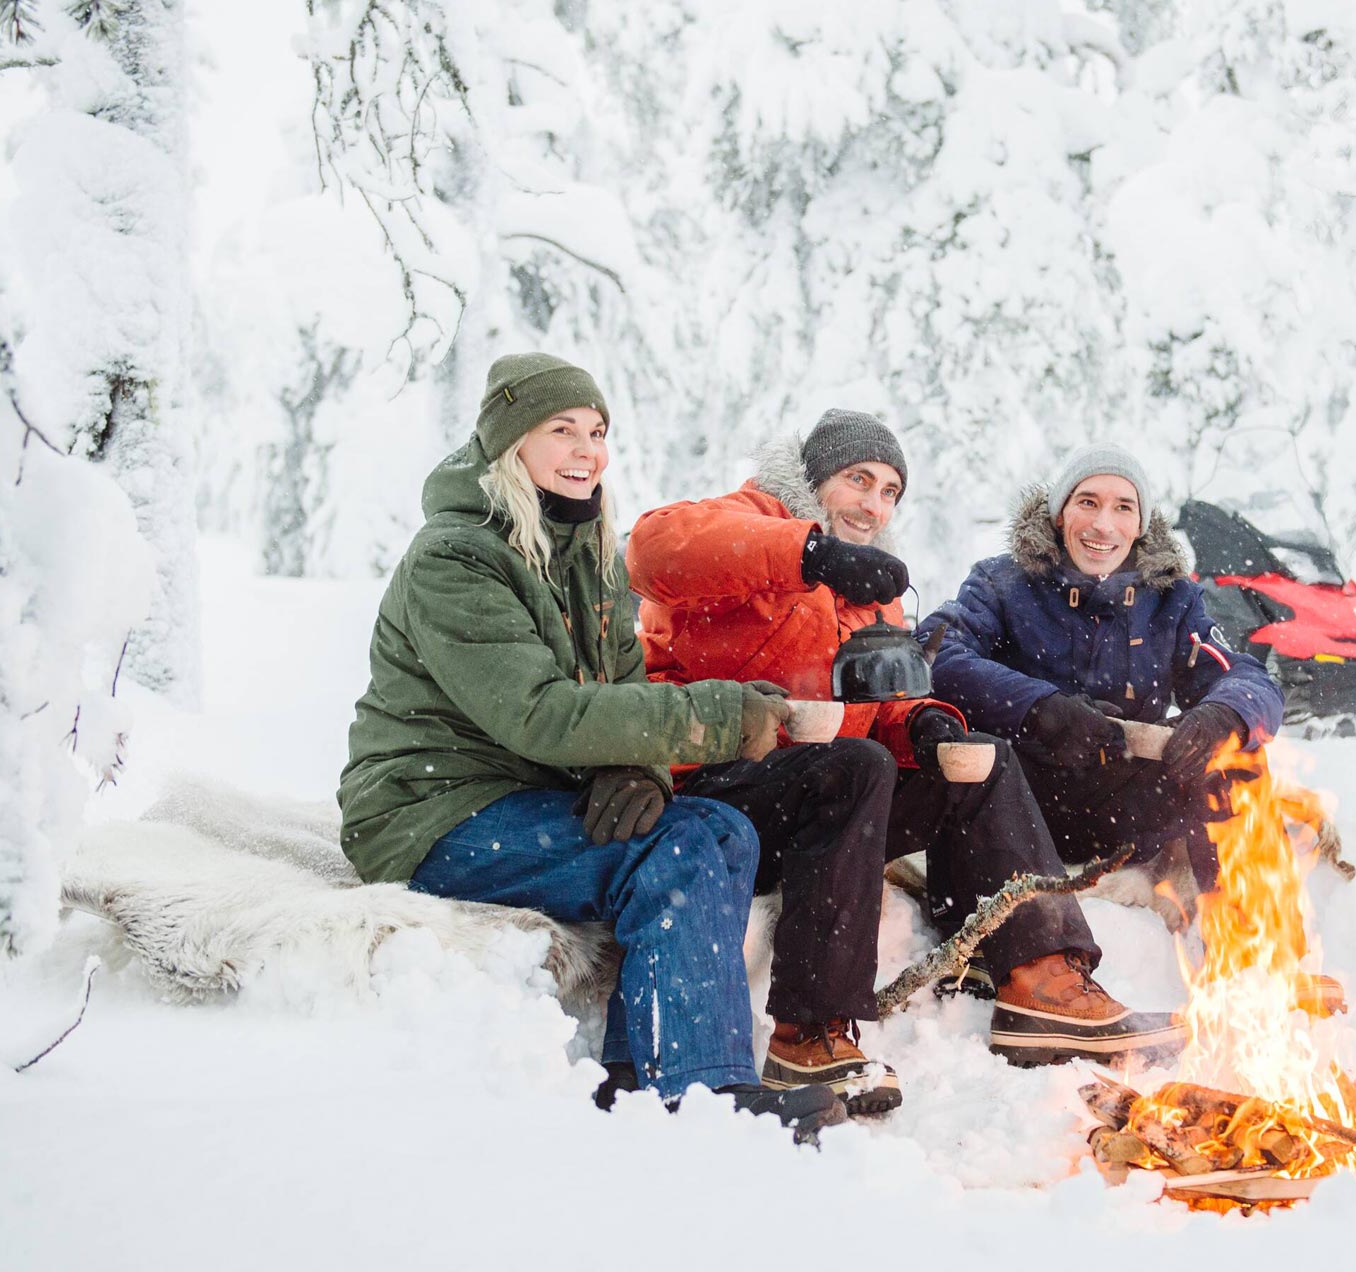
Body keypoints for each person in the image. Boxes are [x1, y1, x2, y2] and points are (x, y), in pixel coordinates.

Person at [338, 352, 841, 1136]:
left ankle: (640, 1072)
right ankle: (702, 1094)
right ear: (511, 444)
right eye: (562, 430)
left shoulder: (587, 544)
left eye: (597, 431)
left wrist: (642, 769)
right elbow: (538, 714)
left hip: (522, 795)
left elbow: (622, 681)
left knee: (723, 830)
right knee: (669, 852)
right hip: (430, 813)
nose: (587, 451)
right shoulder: (455, 557)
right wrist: (717, 714)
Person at [626, 411, 1184, 1077]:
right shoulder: (751, 518)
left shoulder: (869, 590)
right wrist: (809, 555)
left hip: (826, 799)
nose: (874, 503)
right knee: (855, 767)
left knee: (981, 760)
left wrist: (923, 723)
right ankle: (810, 1033)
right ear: (814, 478)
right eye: (859, 480)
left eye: (890, 490)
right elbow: (652, 549)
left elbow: (878, 700)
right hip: (716, 790)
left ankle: (1043, 980)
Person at [917, 444, 1286, 908]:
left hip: (1127, 808)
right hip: (1018, 802)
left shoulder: (1173, 598)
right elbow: (936, 652)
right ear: (1059, 514)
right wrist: (1040, 708)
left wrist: (1222, 713)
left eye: (1123, 507)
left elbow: (1248, 678)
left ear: (1140, 525)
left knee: (1237, 753)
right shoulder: (1001, 582)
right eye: (1087, 502)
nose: (1103, 525)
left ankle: (1251, 949)